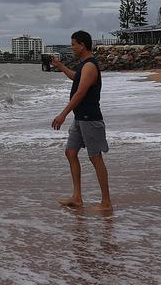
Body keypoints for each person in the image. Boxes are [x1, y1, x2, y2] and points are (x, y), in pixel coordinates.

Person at [50, 30, 112, 212]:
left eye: (73, 44)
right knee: (70, 152)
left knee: (95, 158)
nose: (72, 48)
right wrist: (60, 65)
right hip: (80, 118)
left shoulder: (90, 66)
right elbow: (75, 78)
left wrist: (63, 114)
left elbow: (80, 92)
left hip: (90, 119)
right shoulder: (84, 65)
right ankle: (77, 197)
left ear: (82, 45)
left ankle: (106, 202)